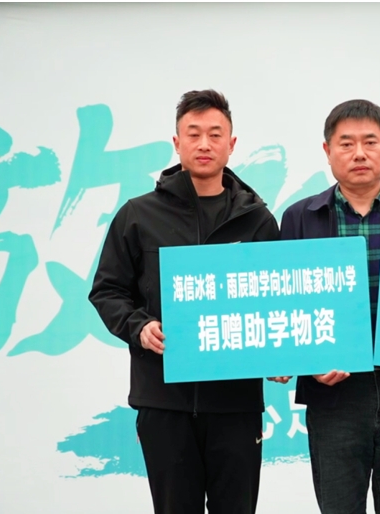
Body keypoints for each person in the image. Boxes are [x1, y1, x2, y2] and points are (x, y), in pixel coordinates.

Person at [88, 89, 280, 514]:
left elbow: (276, 302)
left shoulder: (258, 221)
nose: (204, 144)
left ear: (232, 144)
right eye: (193, 134)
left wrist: (279, 356)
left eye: (215, 134)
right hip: (164, 401)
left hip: (235, 404)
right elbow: (107, 290)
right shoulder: (138, 215)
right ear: (177, 143)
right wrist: (139, 327)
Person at [272, 99, 380, 514]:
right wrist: (305, 359)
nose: (359, 153)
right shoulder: (299, 218)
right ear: (327, 151)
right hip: (333, 395)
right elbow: (285, 304)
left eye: (370, 142)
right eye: (346, 143)